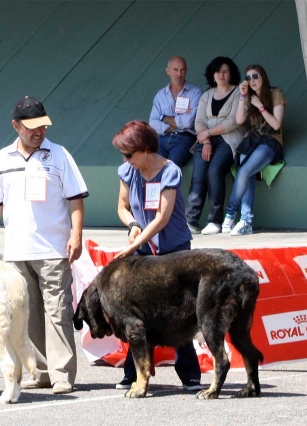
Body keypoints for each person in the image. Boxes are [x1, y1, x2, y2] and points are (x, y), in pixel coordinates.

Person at [0, 96, 88, 395]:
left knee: (58, 313)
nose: (39, 132)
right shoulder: (2, 159)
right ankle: (39, 372)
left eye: (43, 126)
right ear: (16, 126)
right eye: (32, 127)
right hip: (16, 252)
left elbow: (75, 199)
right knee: (27, 316)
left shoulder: (60, 155)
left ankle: (62, 374)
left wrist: (76, 235)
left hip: (53, 250)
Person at [112, 120, 204, 392]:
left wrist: (131, 247)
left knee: (180, 311)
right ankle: (133, 372)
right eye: (123, 155)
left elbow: (162, 218)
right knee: (137, 314)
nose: (126, 160)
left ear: (145, 149)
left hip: (173, 252)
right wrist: (132, 225)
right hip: (142, 250)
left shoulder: (169, 172)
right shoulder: (128, 171)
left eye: (129, 154)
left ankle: (189, 375)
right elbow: (122, 207)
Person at [222, 65, 287, 236]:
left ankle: (230, 213)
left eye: (255, 76)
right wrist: (243, 96)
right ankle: (246, 221)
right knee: (247, 174)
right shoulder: (248, 97)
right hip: (251, 141)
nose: (252, 80)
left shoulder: (275, 93)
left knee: (244, 171)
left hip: (270, 142)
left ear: (263, 77)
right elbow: (239, 119)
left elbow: (276, 125)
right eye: (248, 78)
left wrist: (260, 106)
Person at [185, 56, 244, 235]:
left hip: (229, 139)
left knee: (214, 172)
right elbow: (199, 121)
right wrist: (207, 141)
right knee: (198, 176)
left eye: (225, 71)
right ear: (212, 74)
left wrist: (208, 134)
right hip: (206, 140)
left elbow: (233, 122)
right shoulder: (206, 95)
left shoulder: (238, 93)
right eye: (218, 71)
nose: (221, 75)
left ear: (231, 73)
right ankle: (191, 221)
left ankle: (215, 221)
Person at [149, 56, 203, 167]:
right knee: (152, 166)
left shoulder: (195, 93)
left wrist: (163, 117)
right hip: (163, 139)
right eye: (175, 70)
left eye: (182, 70)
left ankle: (168, 185)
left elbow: (189, 122)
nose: (179, 74)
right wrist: (176, 125)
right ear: (167, 71)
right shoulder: (160, 95)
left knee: (171, 168)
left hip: (185, 139)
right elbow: (153, 123)